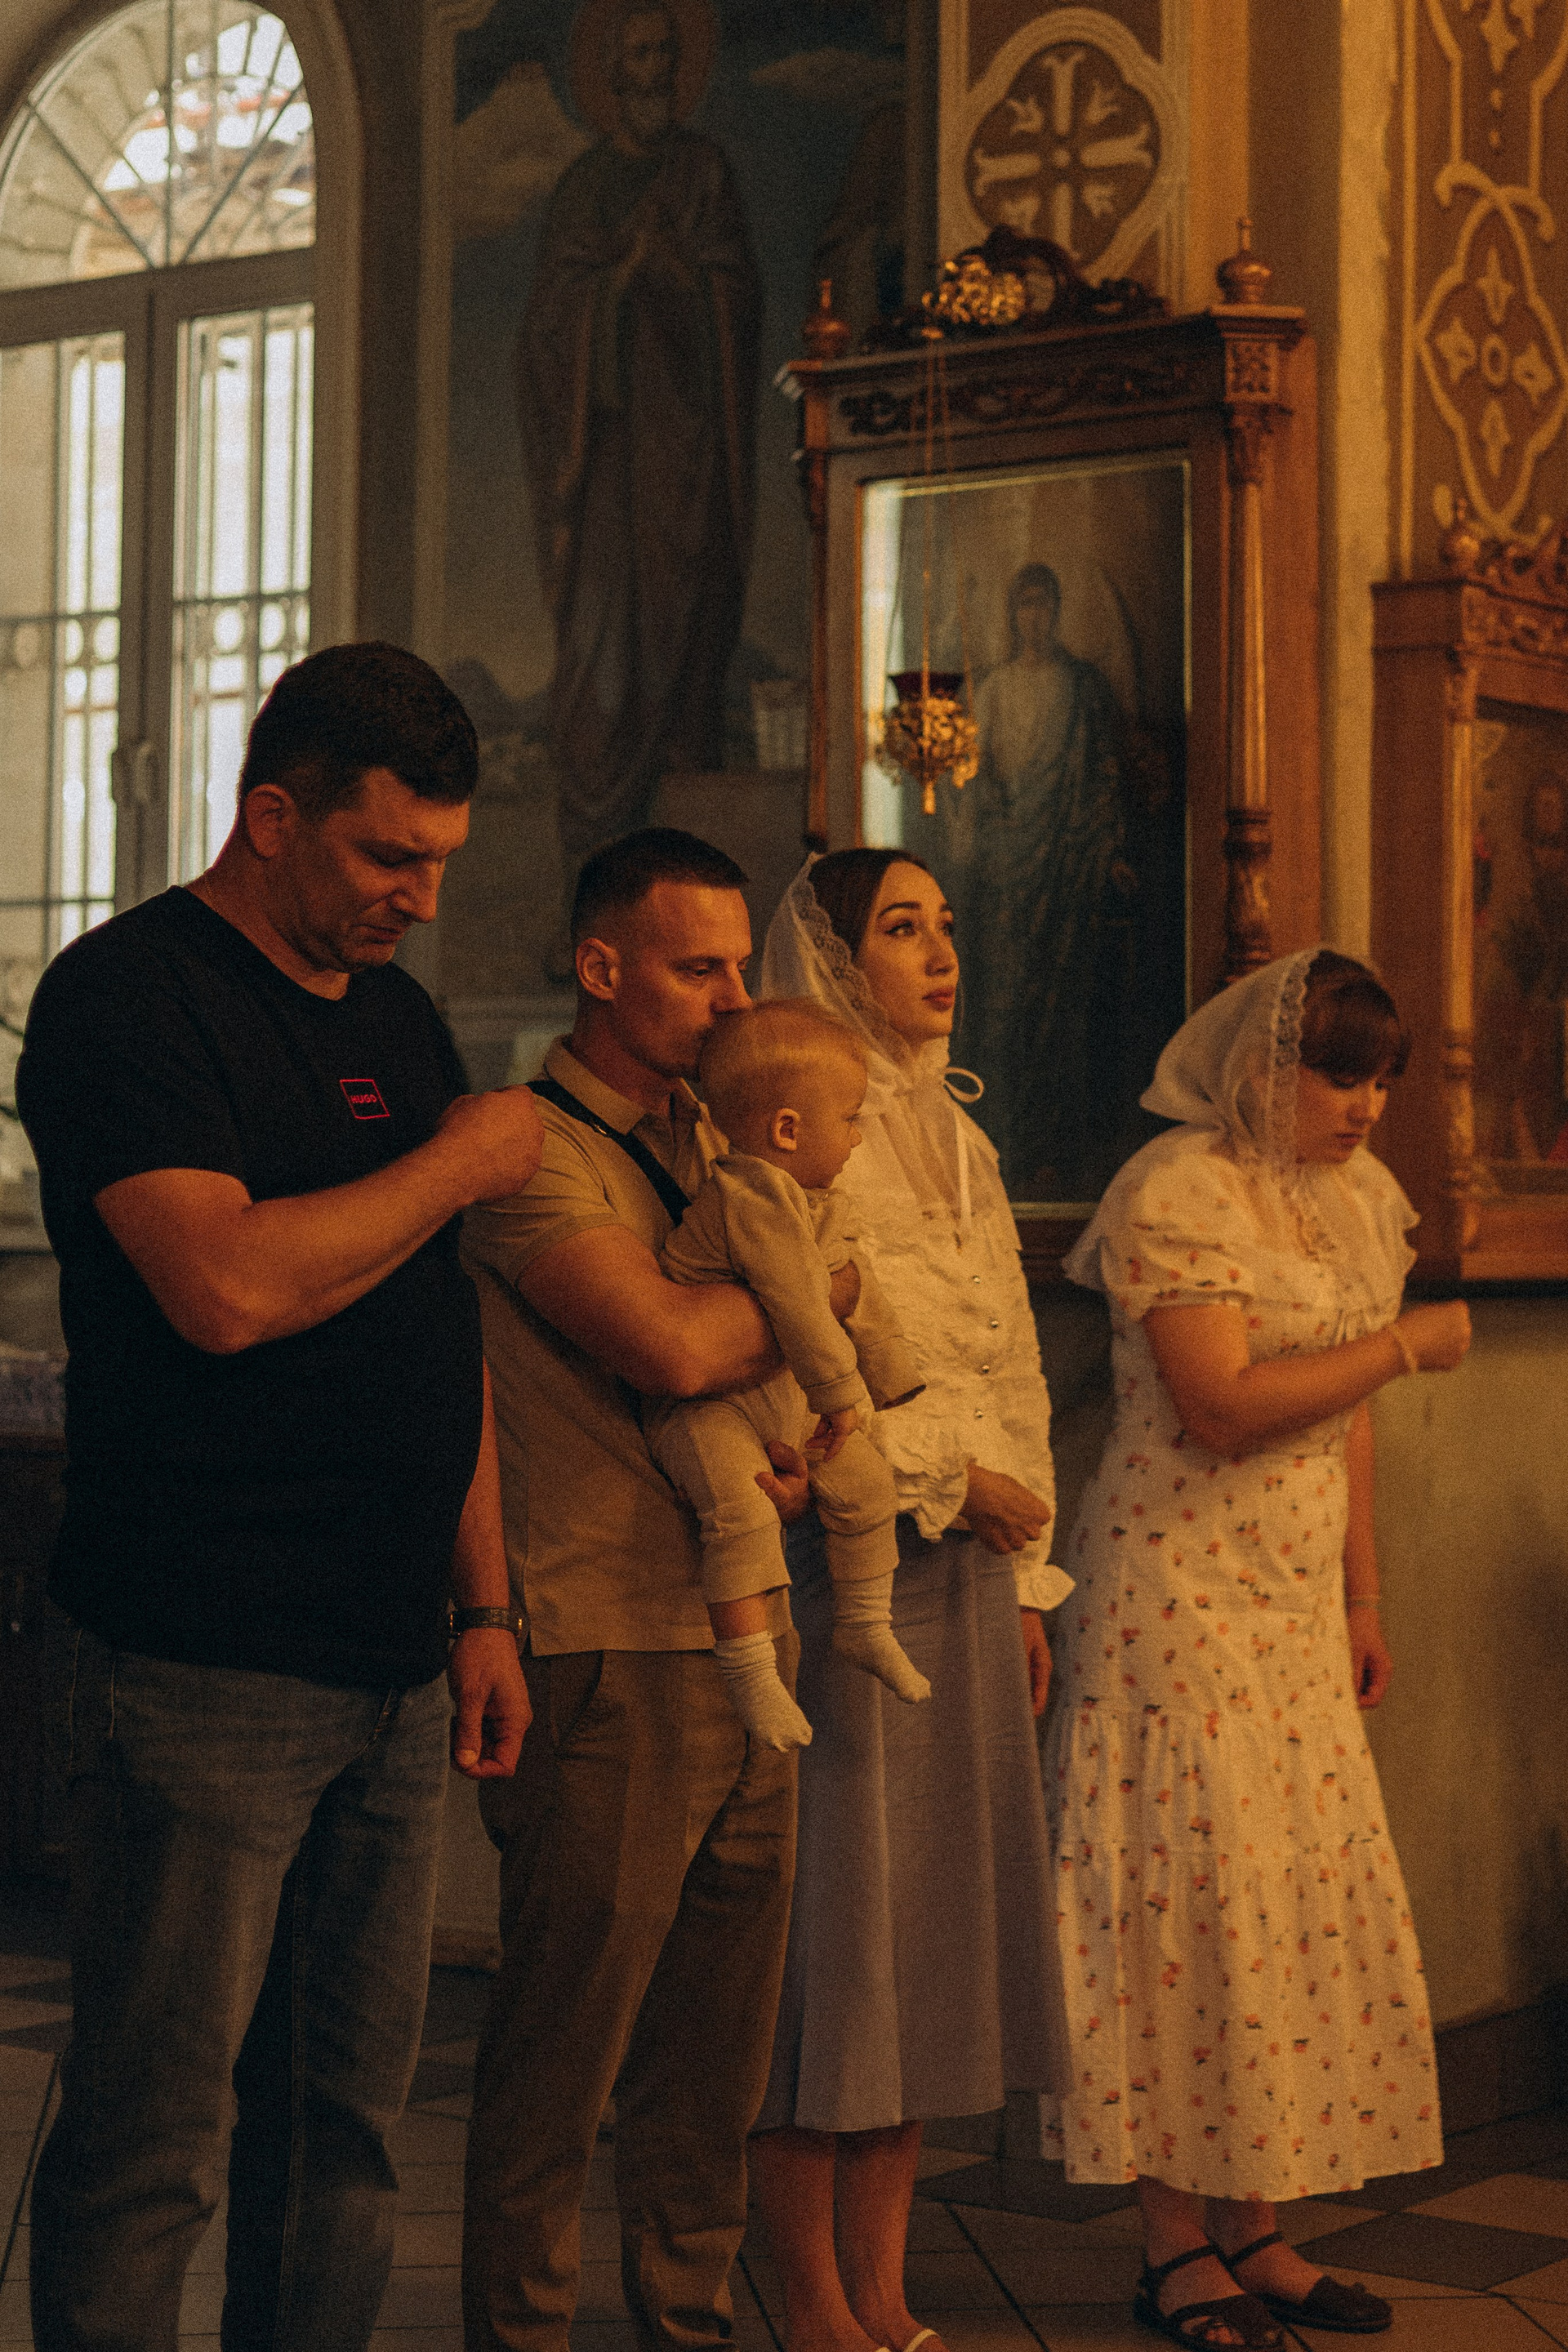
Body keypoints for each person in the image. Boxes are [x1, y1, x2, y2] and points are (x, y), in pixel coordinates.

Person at [15, 643, 544, 2352]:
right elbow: (224, 1289)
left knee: (342, 2139)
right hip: (203, 1660)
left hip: (396, 1660)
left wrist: (484, 1605)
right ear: (271, 818)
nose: (421, 898)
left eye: (441, 861)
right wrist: (454, 1161)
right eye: (391, 856)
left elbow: (439, 1334)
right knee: (154, 2136)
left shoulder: (393, 1017)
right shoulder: (128, 997)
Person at [1045, 947, 1472, 2348]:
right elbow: (1219, 1404)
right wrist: (1402, 1347)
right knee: (1184, 1908)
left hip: (1290, 1601)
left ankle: (1259, 2227)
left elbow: (1345, 1425)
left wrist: (1362, 1599)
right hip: (1175, 1593)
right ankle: (1176, 2245)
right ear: (1264, 1067)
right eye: (1339, 1078)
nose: (1365, 1108)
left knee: (1278, 1908)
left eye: (1380, 1083)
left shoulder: (1352, 1195)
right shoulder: (1179, 1189)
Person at [460, 830, 840, 2352]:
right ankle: (523, 2336)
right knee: (566, 2051)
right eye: (700, 969)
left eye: (742, 967)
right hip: (603, 1631)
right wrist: (818, 1304)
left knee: (715, 2050)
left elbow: (764, 1361)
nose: (737, 1000)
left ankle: (688, 2319)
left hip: (748, 1624)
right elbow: (673, 1349)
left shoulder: (716, 1137)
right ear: (600, 967)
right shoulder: (527, 1148)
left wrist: (799, 1419)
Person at [750, 848, 1071, 2352]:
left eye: (945, 924)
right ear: (832, 961)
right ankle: (805, 2289)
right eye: (901, 928)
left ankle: (883, 2287)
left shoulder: (962, 1139)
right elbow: (807, 1388)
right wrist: (960, 1480)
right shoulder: (798, 1139)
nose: (941, 952)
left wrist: (1030, 1580)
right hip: (848, 1580)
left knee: (930, 1941)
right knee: (835, 1945)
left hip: (972, 1576)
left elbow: (1013, 1364)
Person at [520, 0, 760, 917]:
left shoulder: (704, 173)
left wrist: (680, 278)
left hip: (687, 456)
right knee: (599, 657)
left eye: (666, 52)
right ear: (613, 73)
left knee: (685, 635)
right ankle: (588, 881)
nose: (654, 68)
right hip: (610, 460)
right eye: (639, 55)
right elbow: (545, 331)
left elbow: (736, 293)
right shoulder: (584, 187)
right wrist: (615, 285)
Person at [648, 997, 929, 1751]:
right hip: (710, 1405)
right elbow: (802, 1301)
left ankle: (865, 1624)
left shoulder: (814, 1198)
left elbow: (856, 1288)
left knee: (867, 1484)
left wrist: (890, 1378)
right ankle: (751, 1672)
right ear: (787, 1131)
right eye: (851, 1119)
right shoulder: (753, 1194)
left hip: (776, 1394)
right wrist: (840, 1394)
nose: (859, 1135)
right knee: (739, 1513)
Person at [963, 561, 1134, 1199]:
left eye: (1043, 604)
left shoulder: (1080, 687)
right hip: (1007, 876)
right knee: (1006, 1008)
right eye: (1024, 605)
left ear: (1056, 611)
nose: (1033, 617)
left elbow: (1102, 778)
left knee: (1063, 1010)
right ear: (1012, 614)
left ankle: (1058, 1151)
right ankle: (1004, 1145)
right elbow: (971, 780)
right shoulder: (994, 689)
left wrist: (1110, 850)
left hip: (1065, 872)